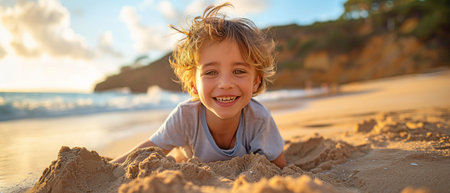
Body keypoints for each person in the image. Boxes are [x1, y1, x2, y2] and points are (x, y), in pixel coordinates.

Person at [111, 3, 286, 168]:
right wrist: (107, 169)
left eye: (239, 71)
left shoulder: (259, 120)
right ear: (194, 84)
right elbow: (142, 154)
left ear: (256, 81)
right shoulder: (185, 117)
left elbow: (279, 166)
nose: (225, 84)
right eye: (211, 72)